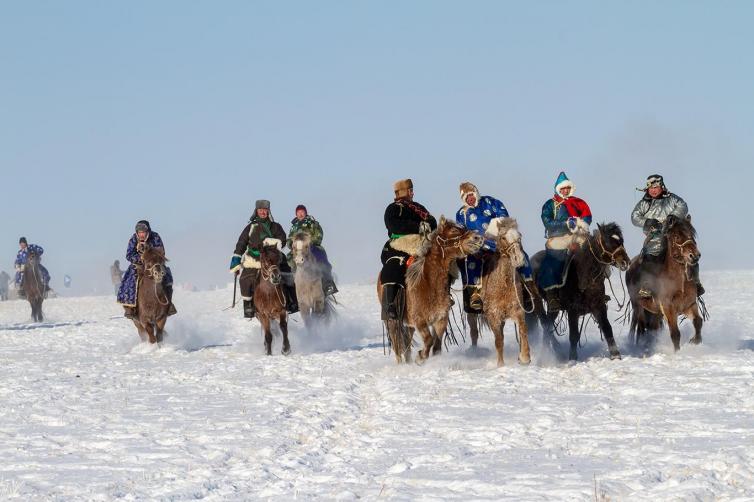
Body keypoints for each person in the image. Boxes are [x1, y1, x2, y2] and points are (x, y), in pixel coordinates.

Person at [455, 182, 534, 312]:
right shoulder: (461, 213)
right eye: (466, 197)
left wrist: (492, 232)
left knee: (521, 255)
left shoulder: (491, 202)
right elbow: (461, 233)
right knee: (469, 261)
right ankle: (475, 294)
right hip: (478, 246)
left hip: (499, 241)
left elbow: (504, 218)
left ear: (475, 193)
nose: (470, 198)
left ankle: (527, 289)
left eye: (471, 195)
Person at [631, 174, 704, 297]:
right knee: (650, 256)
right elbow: (634, 217)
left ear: (662, 187)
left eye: (656, 187)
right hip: (655, 237)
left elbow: (683, 206)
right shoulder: (643, 204)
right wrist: (647, 222)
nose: (653, 190)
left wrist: (673, 216)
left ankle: (695, 282)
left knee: (691, 252)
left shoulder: (672, 199)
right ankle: (647, 286)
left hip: (675, 235)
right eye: (651, 188)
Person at [230, 200, 298, 318]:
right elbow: (241, 243)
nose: (263, 212)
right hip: (254, 259)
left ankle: (292, 302)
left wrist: (270, 242)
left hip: (273, 258)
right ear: (256, 211)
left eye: (265, 210)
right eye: (260, 210)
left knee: (287, 276)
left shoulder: (276, 226)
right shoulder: (250, 227)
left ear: (268, 211)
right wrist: (237, 258)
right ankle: (249, 307)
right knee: (245, 280)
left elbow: (282, 240)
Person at [380, 179, 437, 320]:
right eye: (409, 190)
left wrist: (425, 227)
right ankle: (390, 305)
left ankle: (442, 296)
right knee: (395, 264)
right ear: (401, 192)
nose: (412, 192)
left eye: (412, 190)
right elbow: (394, 226)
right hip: (399, 244)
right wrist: (419, 227)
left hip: (422, 243)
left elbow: (432, 222)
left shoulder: (419, 208)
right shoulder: (393, 208)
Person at [537, 172, 592, 311]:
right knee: (554, 261)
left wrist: (581, 223)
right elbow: (547, 222)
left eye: (567, 188)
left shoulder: (579, 202)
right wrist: (566, 223)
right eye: (563, 188)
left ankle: (596, 290)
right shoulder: (550, 205)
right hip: (558, 237)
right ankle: (552, 295)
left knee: (594, 253)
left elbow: (587, 216)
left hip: (579, 235)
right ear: (558, 189)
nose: (565, 191)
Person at [116, 220, 177, 319]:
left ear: (147, 231)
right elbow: (129, 255)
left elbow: (161, 251)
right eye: (139, 232)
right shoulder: (133, 239)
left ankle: (169, 304)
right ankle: (130, 307)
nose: (141, 234)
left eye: (143, 232)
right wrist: (140, 258)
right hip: (139, 265)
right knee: (129, 281)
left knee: (167, 278)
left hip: (154, 263)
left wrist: (150, 255)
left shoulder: (155, 237)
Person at [286, 204, 338, 295]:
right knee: (288, 259)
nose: (300, 214)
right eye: (298, 212)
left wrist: (309, 242)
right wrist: (291, 244)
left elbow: (319, 234)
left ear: (305, 213)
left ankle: (328, 283)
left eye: (302, 212)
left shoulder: (312, 223)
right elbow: (290, 239)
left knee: (320, 257)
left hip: (311, 246)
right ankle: (293, 284)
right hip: (298, 249)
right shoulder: (294, 226)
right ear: (296, 214)